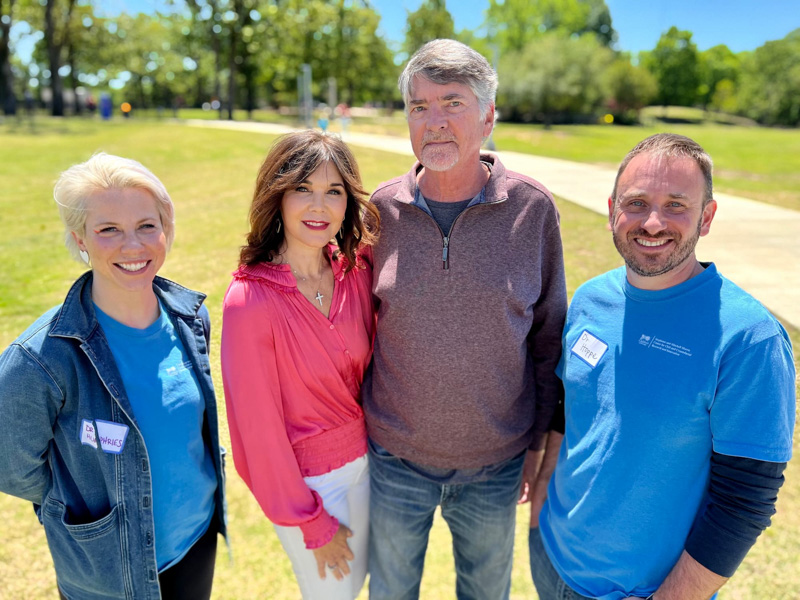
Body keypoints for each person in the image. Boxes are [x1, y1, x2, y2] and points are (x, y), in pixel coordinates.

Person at [529, 133, 796, 600]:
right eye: (636, 203)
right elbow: (568, 407)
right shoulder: (591, 299)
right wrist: (542, 503)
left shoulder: (749, 338)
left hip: (642, 591)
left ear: (706, 217)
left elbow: (745, 501)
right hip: (551, 558)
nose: (652, 222)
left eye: (676, 205)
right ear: (613, 208)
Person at [363, 39, 568, 600]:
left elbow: (550, 338)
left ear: (488, 116)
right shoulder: (380, 212)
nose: (434, 122)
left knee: (485, 593)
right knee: (391, 592)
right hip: (394, 459)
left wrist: (537, 442)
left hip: (496, 466)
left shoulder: (533, 210)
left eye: (452, 103)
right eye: (419, 105)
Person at [0, 153, 227, 600]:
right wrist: (76, 491)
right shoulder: (42, 356)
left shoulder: (190, 318)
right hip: (107, 573)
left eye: (147, 225)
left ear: (167, 229)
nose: (133, 247)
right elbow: (11, 464)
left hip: (197, 539)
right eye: (108, 230)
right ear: (79, 238)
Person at [221, 130, 380, 599]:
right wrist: (310, 522)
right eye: (303, 189)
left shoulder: (356, 271)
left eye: (334, 192)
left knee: (363, 586)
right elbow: (257, 432)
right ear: (278, 195)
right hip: (311, 487)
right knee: (331, 594)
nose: (319, 207)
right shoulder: (249, 301)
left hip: (371, 465)